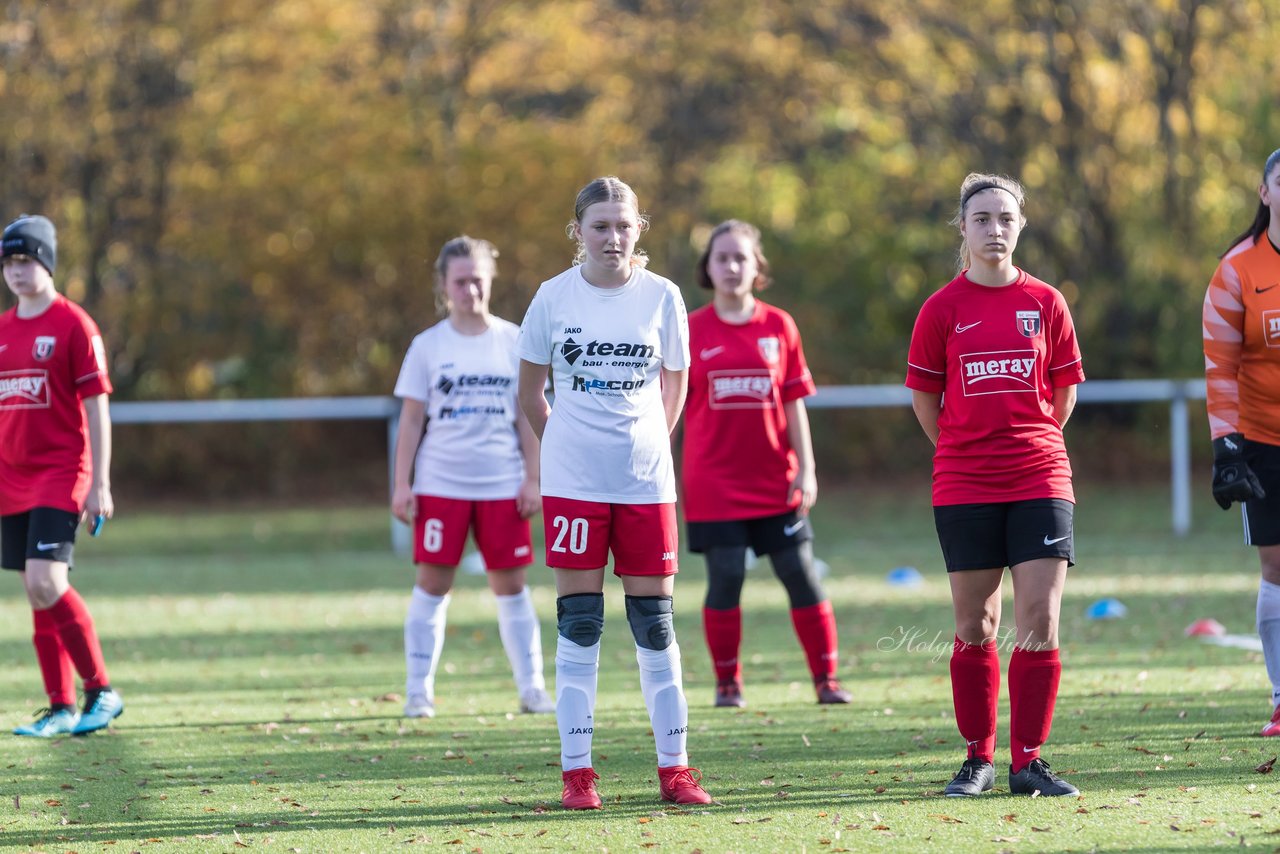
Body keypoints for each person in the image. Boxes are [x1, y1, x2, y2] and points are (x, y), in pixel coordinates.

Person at [517, 176, 711, 810]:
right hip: (574, 484)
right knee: (579, 622)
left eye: (623, 225)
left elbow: (675, 386)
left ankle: (675, 770)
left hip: (646, 482)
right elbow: (529, 393)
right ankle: (578, 775)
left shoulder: (663, 297)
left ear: (639, 229)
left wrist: (648, 440)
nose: (612, 237)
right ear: (578, 232)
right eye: (599, 226)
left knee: (654, 624)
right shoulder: (552, 297)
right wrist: (565, 443)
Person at [905, 174, 1085, 797]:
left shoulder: (1046, 302)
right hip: (964, 482)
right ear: (963, 227)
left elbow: (1061, 395)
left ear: (1020, 225)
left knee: (1040, 615)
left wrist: (1028, 442)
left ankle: (1028, 761)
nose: (994, 230)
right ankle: (977, 757)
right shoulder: (940, 309)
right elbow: (927, 402)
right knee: (976, 623)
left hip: (1039, 474)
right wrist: (965, 448)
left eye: (1005, 218)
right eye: (981, 218)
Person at [681, 219, 851, 708]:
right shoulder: (689, 329)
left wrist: (808, 467)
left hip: (776, 477)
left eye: (741, 257)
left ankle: (827, 680)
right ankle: (727, 684)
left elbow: (794, 400)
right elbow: (671, 408)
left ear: (758, 267)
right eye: (722, 258)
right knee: (727, 575)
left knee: (799, 572)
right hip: (713, 481)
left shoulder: (780, 325)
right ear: (707, 268)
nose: (732, 266)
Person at [391, 236, 554, 720]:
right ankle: (418, 692)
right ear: (444, 285)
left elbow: (528, 415)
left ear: (490, 280)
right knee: (431, 586)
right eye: (460, 282)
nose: (470, 290)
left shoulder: (513, 340)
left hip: (503, 486)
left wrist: (533, 478)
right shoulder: (428, 346)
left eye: (478, 280)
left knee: (512, 589)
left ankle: (532, 690)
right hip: (441, 486)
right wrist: (403, 485)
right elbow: (411, 422)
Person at [0, 214, 122, 737]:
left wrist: (101, 483)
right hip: (11, 476)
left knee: (48, 580)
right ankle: (60, 706)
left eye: (25, 260)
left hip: (62, 471)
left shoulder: (75, 324)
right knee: (35, 588)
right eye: (8, 262)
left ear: (46, 262)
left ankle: (102, 691)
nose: (16, 272)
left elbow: (98, 407)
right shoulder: (3, 330)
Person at [1203, 147, 1280, 737]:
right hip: (1262, 438)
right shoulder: (1237, 270)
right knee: (1277, 566)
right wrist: (1226, 443)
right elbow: (1220, 367)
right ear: (1264, 193)